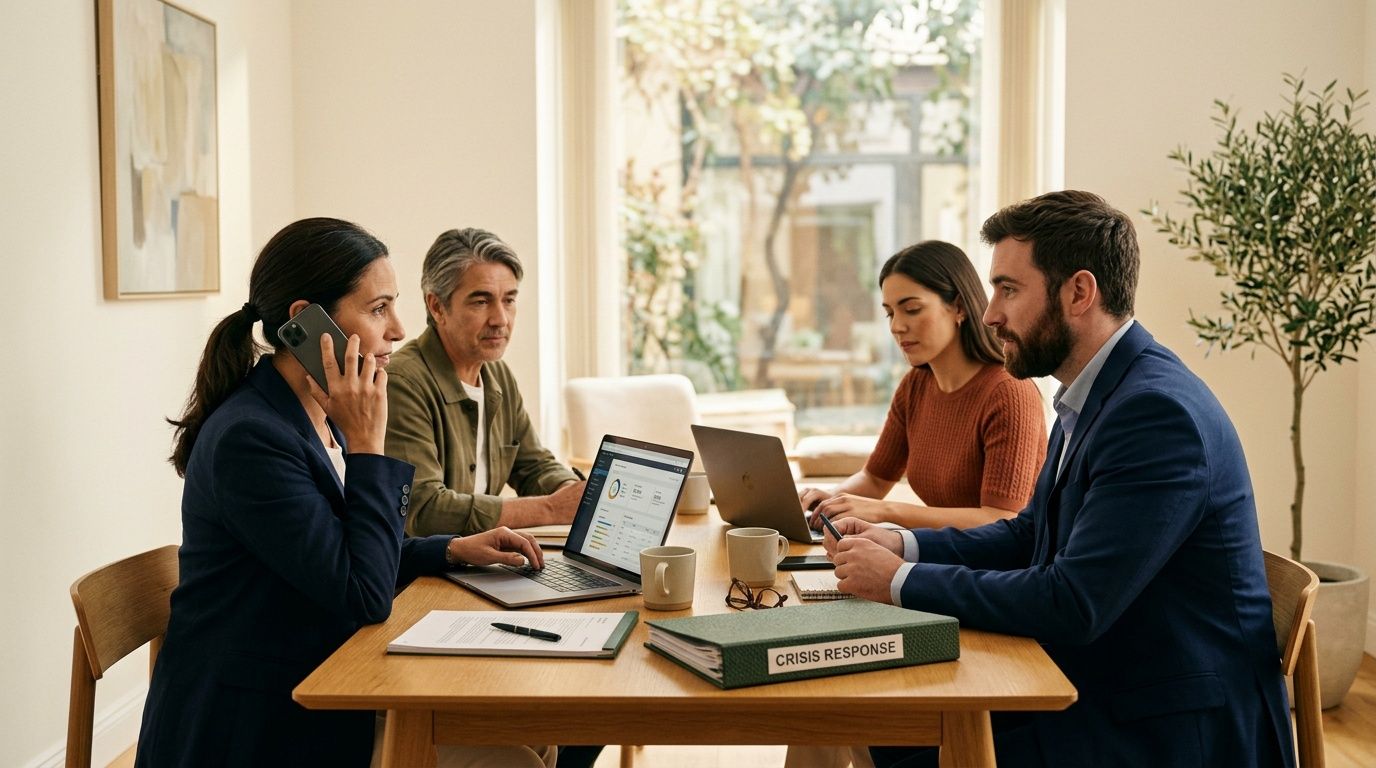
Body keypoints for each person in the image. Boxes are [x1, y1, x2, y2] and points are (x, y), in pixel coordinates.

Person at [826, 191, 1294, 767]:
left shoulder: (1154, 414)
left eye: (1008, 289)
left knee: (898, 740)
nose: (991, 312)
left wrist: (901, 580)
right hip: (1113, 681)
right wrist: (906, 544)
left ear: (1079, 292)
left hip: (1171, 727)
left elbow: (1074, 602)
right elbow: (1028, 535)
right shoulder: (1096, 397)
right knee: (884, 722)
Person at [136, 218, 554, 767]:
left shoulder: (312, 413)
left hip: (316, 676)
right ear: (305, 323)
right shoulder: (252, 438)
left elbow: (342, 551)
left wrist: (449, 549)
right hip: (261, 723)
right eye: (379, 308)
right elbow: (362, 592)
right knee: (513, 759)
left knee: (535, 732)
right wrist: (368, 447)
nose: (399, 329)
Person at [798, 241, 1047, 531]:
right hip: (945, 556)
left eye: (912, 309)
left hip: (998, 570)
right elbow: (876, 478)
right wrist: (829, 500)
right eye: (890, 313)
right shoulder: (916, 385)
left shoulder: (1009, 393)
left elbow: (1000, 519)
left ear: (959, 307)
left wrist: (885, 511)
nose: (896, 326)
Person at [385, 228, 584, 537]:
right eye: (481, 302)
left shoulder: (497, 374)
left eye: (509, 300)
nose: (500, 319)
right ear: (437, 307)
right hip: (420, 577)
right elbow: (422, 510)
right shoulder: (403, 382)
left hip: (479, 564)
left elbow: (533, 465)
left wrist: (575, 494)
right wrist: (551, 508)